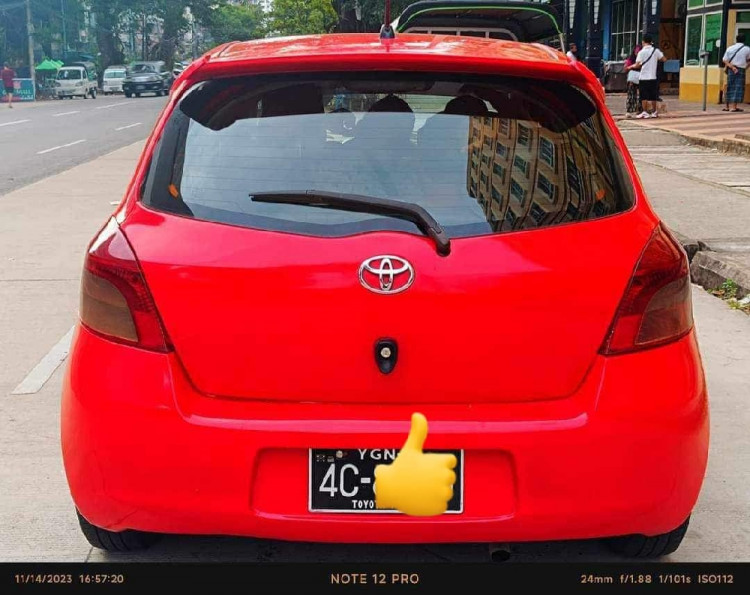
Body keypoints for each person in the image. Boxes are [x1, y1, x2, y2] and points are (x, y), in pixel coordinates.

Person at [627, 34, 666, 118]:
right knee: (653, 96)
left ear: (643, 42)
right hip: (653, 77)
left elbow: (637, 65)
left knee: (643, 96)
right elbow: (664, 59)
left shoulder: (641, 52)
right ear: (651, 42)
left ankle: (645, 112)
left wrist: (630, 67)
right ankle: (654, 112)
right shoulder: (656, 51)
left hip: (643, 77)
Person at [722, 34, 750, 112]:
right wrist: (745, 67)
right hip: (741, 70)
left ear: (736, 39)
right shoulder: (747, 49)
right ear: (744, 40)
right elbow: (749, 60)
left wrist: (732, 67)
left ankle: (727, 107)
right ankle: (734, 107)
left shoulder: (730, 48)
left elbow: (724, 60)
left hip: (731, 69)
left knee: (729, 86)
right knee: (738, 87)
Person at [624, 45, 641, 118]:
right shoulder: (631, 59)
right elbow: (625, 68)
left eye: (638, 52)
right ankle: (629, 111)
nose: (637, 53)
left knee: (641, 96)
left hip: (641, 78)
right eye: (636, 52)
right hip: (632, 79)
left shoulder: (642, 58)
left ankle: (639, 110)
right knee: (631, 95)